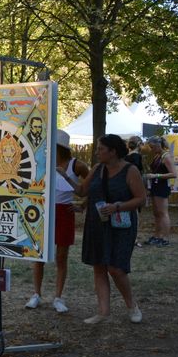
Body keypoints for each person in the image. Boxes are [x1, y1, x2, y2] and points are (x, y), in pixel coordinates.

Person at [58, 134, 145, 324]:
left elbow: (141, 199)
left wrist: (117, 206)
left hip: (121, 224)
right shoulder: (97, 169)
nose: (97, 152)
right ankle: (103, 312)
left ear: (113, 151)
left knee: (116, 268)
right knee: (99, 265)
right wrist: (65, 177)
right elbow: (82, 191)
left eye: (100, 149)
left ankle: (132, 306)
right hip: (96, 222)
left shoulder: (130, 171)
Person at [26, 130, 89, 313]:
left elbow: (93, 183)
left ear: (60, 147)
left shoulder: (76, 165)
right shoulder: (42, 161)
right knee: (39, 255)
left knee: (61, 257)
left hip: (64, 211)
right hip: (43, 211)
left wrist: (83, 205)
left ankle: (58, 297)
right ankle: (36, 294)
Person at [144, 136, 176, 247]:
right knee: (157, 213)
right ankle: (157, 236)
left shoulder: (166, 156)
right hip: (155, 186)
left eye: (152, 147)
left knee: (163, 213)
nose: (151, 149)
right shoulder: (158, 156)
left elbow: (173, 174)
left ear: (158, 145)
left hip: (162, 187)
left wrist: (155, 175)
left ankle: (165, 238)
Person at [124, 136, 145, 247]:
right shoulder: (136, 156)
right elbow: (137, 171)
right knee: (135, 213)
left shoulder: (126, 157)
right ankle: (134, 238)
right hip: (135, 186)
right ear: (139, 144)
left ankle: (129, 236)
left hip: (127, 186)